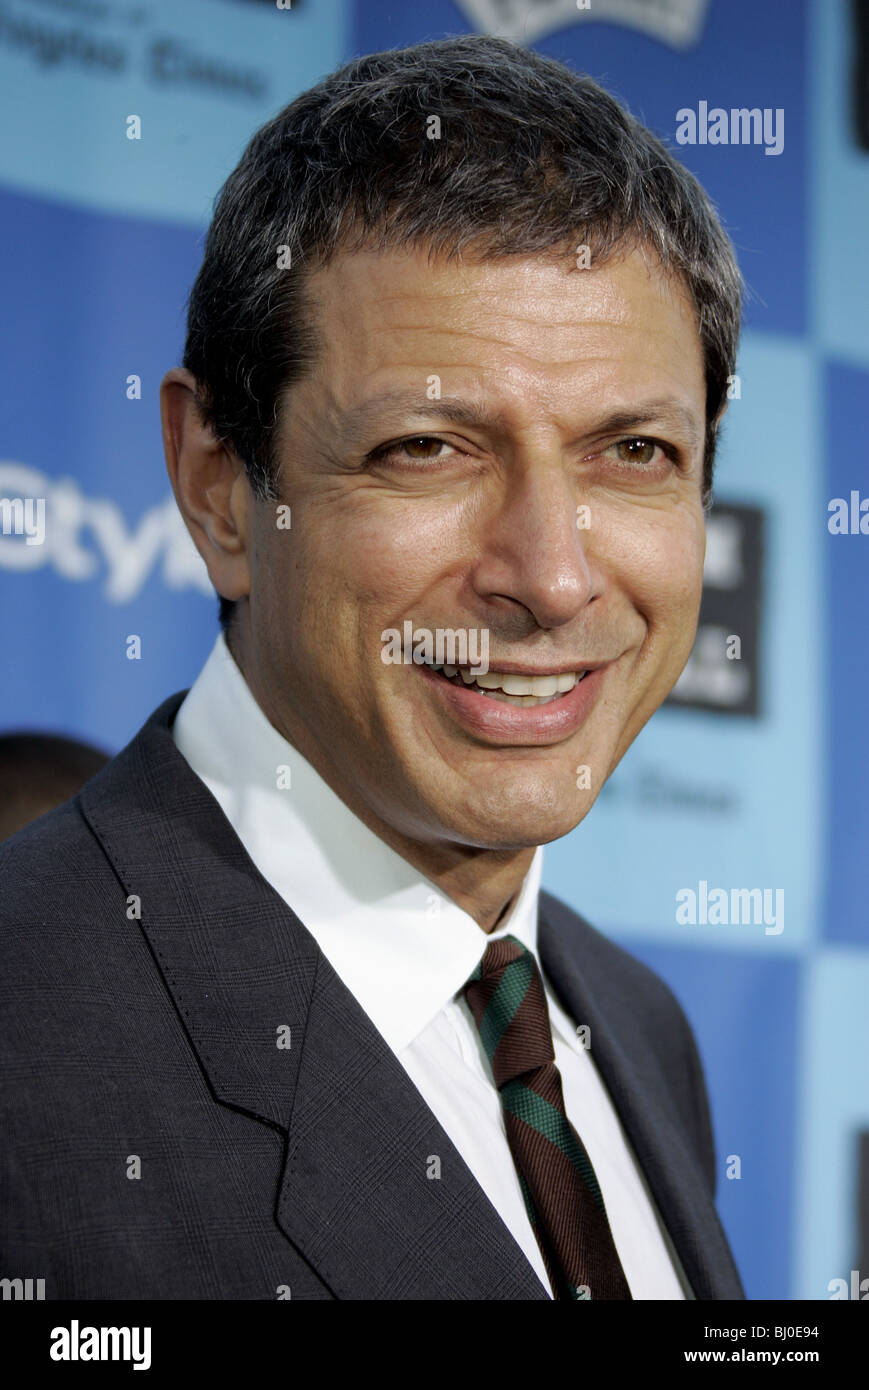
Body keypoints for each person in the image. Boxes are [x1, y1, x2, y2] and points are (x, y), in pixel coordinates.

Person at [0, 35, 745, 1301]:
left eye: (631, 450)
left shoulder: (633, 1025)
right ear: (220, 489)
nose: (552, 576)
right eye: (427, 448)